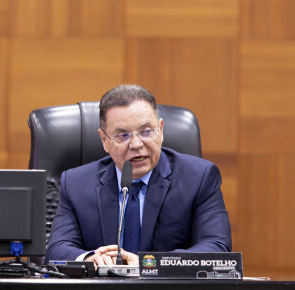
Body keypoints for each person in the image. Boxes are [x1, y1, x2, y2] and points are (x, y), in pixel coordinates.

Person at [45, 84, 231, 267]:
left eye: (146, 132)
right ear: (104, 140)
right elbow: (56, 249)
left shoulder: (199, 178)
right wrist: (88, 259)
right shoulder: (76, 183)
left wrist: (147, 264)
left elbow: (217, 248)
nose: (136, 144)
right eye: (123, 135)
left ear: (161, 130)